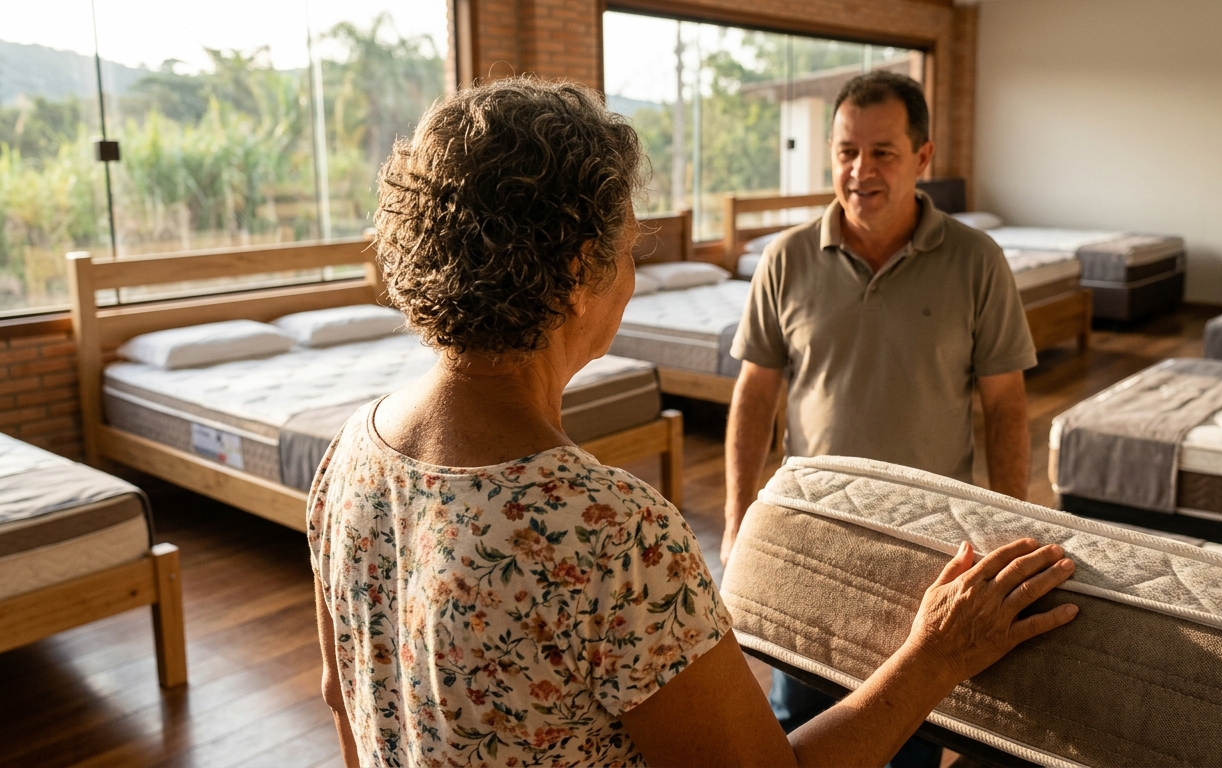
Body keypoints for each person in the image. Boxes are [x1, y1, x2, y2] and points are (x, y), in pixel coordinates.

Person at [309, 76, 1077, 768]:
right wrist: (937, 655)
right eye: (629, 245)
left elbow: (346, 706)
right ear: (581, 272)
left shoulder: (345, 461)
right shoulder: (610, 533)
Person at [721, 71, 1040, 764]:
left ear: (923, 158)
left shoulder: (976, 261)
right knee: (795, 722)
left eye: (883, 152)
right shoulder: (786, 258)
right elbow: (754, 394)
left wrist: (1009, 528)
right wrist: (737, 512)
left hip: (924, 545)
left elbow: (1007, 404)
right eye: (845, 152)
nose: (859, 171)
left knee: (910, 727)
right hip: (811, 537)